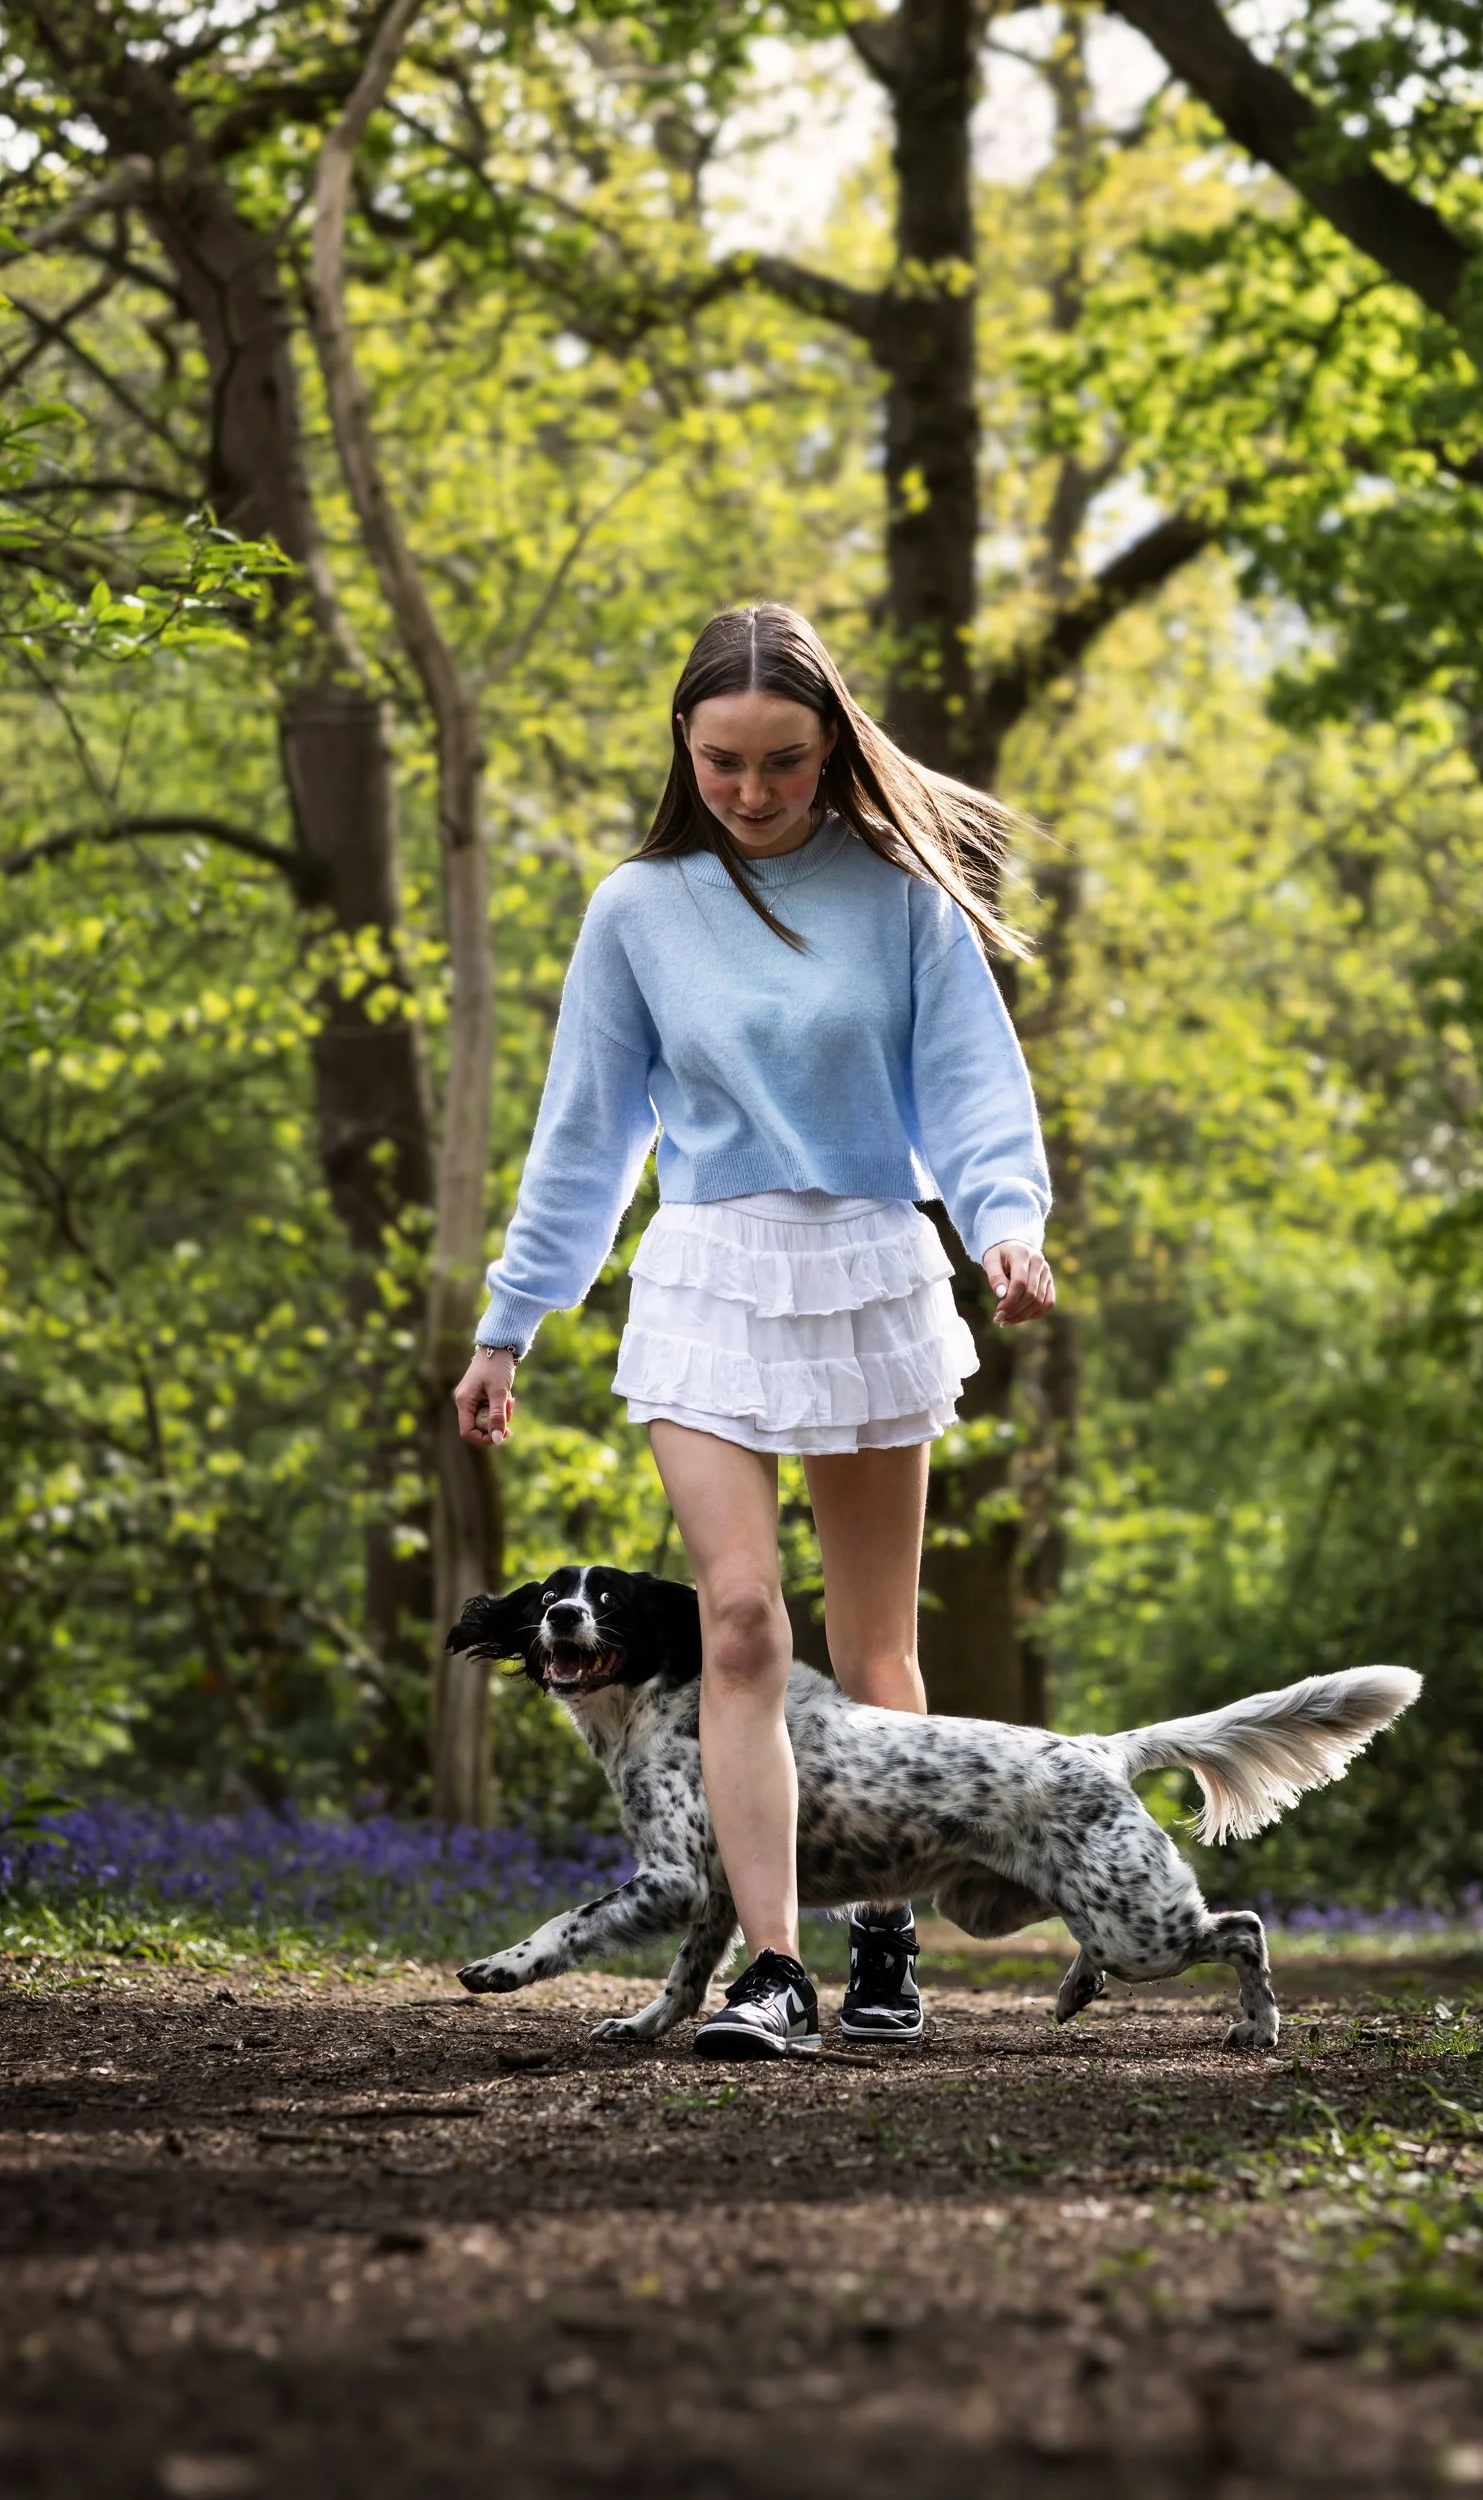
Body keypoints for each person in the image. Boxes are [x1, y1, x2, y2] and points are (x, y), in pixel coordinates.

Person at [452, 603, 1054, 2061]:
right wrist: (511, 1322)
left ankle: (886, 1938)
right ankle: (774, 1970)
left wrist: (1006, 1222)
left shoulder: (903, 893)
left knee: (875, 1650)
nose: (754, 790)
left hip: (866, 1269)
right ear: (685, 747)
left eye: (785, 760)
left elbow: (973, 1087)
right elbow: (584, 1135)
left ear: (832, 744)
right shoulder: (638, 908)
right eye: (723, 761)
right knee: (737, 1626)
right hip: (711, 1275)